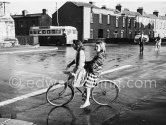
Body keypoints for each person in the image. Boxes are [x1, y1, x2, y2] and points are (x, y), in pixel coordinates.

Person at [80, 40, 106, 108]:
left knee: (87, 85)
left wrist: (86, 65)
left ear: (101, 47)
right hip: (93, 71)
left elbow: (93, 65)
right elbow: (91, 62)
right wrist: (84, 63)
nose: (95, 48)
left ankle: (87, 101)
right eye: (95, 46)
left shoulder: (101, 56)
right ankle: (87, 95)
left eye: (97, 47)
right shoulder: (98, 54)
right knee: (84, 79)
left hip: (95, 72)